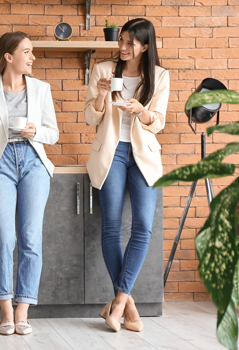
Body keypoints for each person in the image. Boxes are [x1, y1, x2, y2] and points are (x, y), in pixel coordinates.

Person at [0, 32, 59, 336]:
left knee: (31, 237)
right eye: (27, 52)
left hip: (33, 162)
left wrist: (36, 132)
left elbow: (53, 133)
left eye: (32, 52)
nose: (32, 58)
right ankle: (5, 311)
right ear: (9, 56)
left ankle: (22, 311)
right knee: (4, 238)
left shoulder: (41, 89)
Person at [83, 18, 170, 333]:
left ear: (145, 46)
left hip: (143, 155)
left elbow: (157, 121)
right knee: (111, 228)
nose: (121, 47)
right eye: (120, 41)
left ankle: (118, 301)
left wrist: (140, 111)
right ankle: (128, 303)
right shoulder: (103, 71)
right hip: (111, 152)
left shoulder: (159, 76)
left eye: (129, 43)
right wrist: (102, 97)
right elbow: (90, 116)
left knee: (143, 227)